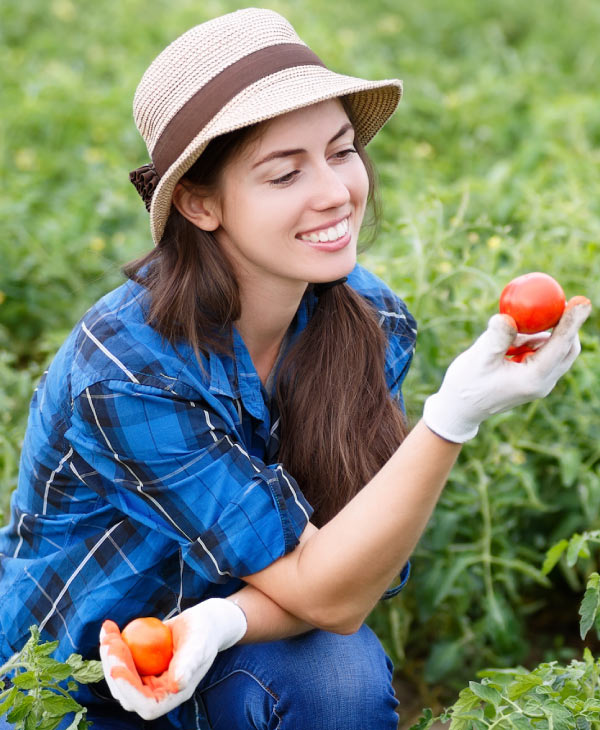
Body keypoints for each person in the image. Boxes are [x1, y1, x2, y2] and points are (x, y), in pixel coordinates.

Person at [0, 8, 591, 730]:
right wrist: (451, 417)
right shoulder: (127, 371)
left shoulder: (367, 321)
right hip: (76, 691)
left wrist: (218, 622)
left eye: (340, 152)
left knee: (335, 681)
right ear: (198, 202)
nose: (335, 192)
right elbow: (330, 591)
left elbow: (358, 573)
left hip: (238, 649)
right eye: (285, 172)